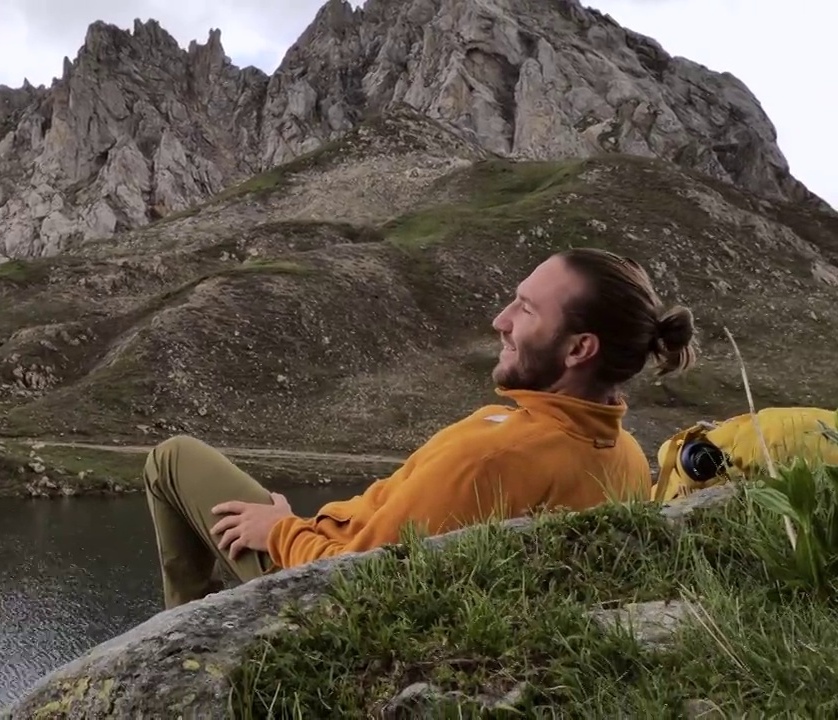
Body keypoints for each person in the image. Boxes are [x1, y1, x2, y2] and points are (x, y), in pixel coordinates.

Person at [142, 247, 698, 609]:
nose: (500, 320)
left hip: (311, 586)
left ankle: (184, 628)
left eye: (526, 310)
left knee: (171, 459)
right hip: (326, 538)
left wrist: (282, 531)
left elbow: (364, 582)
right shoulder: (623, 451)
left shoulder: (496, 456)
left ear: (580, 348)